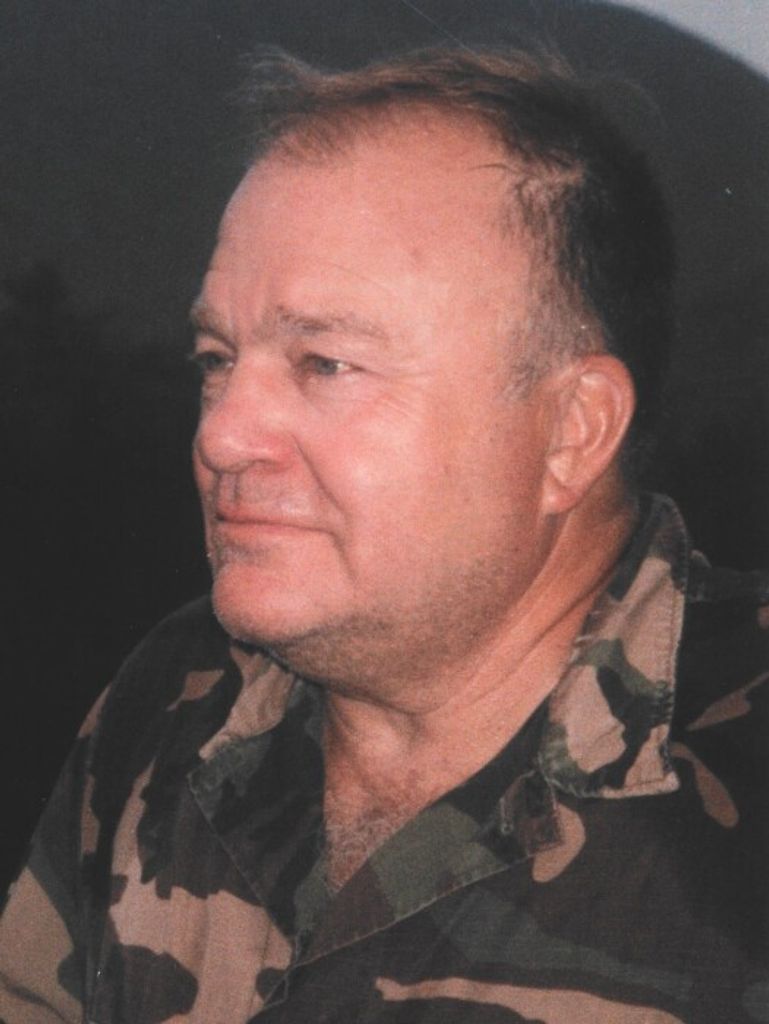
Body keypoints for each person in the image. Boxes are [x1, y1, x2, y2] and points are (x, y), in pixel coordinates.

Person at [0, 45, 766, 1024]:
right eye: (216, 358)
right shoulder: (178, 694)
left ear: (569, 432)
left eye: (324, 363)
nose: (222, 433)